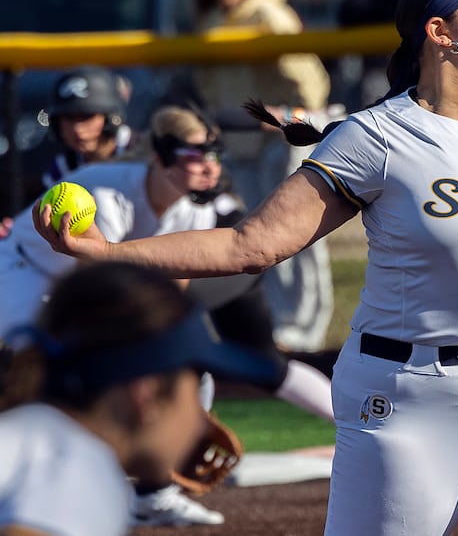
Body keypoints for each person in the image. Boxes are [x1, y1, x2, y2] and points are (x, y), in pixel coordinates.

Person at [32, 0, 458, 535]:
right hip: (410, 396)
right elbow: (249, 245)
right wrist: (103, 253)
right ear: (440, 33)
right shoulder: (376, 137)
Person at [0, 104, 334, 526]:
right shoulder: (105, 196)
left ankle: (154, 494)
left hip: (85, 282)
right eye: (194, 155)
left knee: (185, 368)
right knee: (37, 363)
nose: (209, 167)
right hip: (24, 271)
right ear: (159, 158)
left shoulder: (193, 208)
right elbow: (99, 295)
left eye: (213, 155)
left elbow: (164, 295)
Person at [0, 260, 287, 536]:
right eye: (194, 395)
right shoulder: (78, 469)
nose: (201, 424)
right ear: (146, 395)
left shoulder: (34, 437)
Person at [191, 0, 338, 352]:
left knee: (303, 234)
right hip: (242, 144)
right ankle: (281, 324)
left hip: (284, 140)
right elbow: (208, 85)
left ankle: (308, 327)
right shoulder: (209, 23)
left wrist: (294, 119)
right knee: (258, 236)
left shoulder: (267, 14)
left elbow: (310, 78)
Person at [0, 65, 134, 239]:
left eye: (87, 116)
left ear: (111, 118)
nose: (77, 129)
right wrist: (19, 229)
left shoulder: (145, 152)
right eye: (69, 118)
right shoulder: (63, 167)